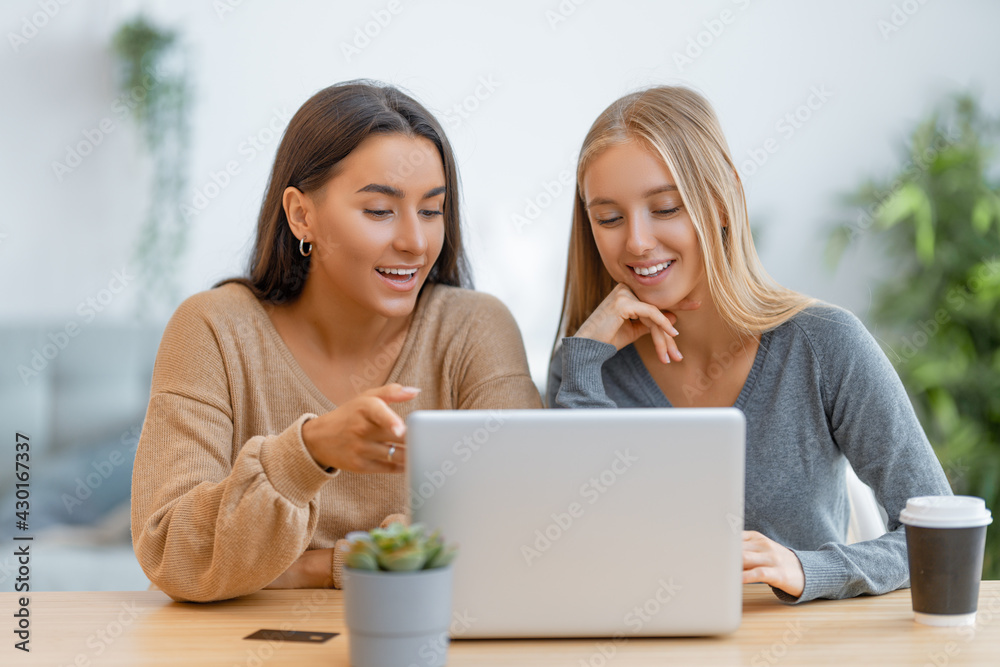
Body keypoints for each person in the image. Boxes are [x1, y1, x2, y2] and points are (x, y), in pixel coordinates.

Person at [131, 81, 541, 603]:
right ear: (302, 214)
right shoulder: (213, 329)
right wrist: (308, 452)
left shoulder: (475, 329)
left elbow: (518, 530)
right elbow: (171, 553)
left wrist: (308, 568)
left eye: (432, 211)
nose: (415, 242)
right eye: (379, 211)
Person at [546, 85, 952, 603]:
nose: (637, 242)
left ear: (720, 201)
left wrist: (809, 568)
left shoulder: (825, 345)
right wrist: (583, 363)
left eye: (666, 207)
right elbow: (571, 555)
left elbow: (937, 533)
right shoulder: (584, 366)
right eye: (608, 218)